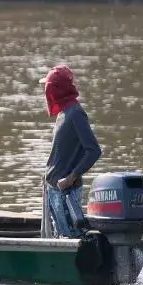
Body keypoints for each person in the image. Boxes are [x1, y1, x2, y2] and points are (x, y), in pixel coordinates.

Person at [40, 65, 102, 239]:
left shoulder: (76, 114)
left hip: (65, 192)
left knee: (72, 237)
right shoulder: (64, 112)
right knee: (60, 237)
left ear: (55, 90)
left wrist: (70, 178)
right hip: (53, 190)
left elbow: (93, 150)